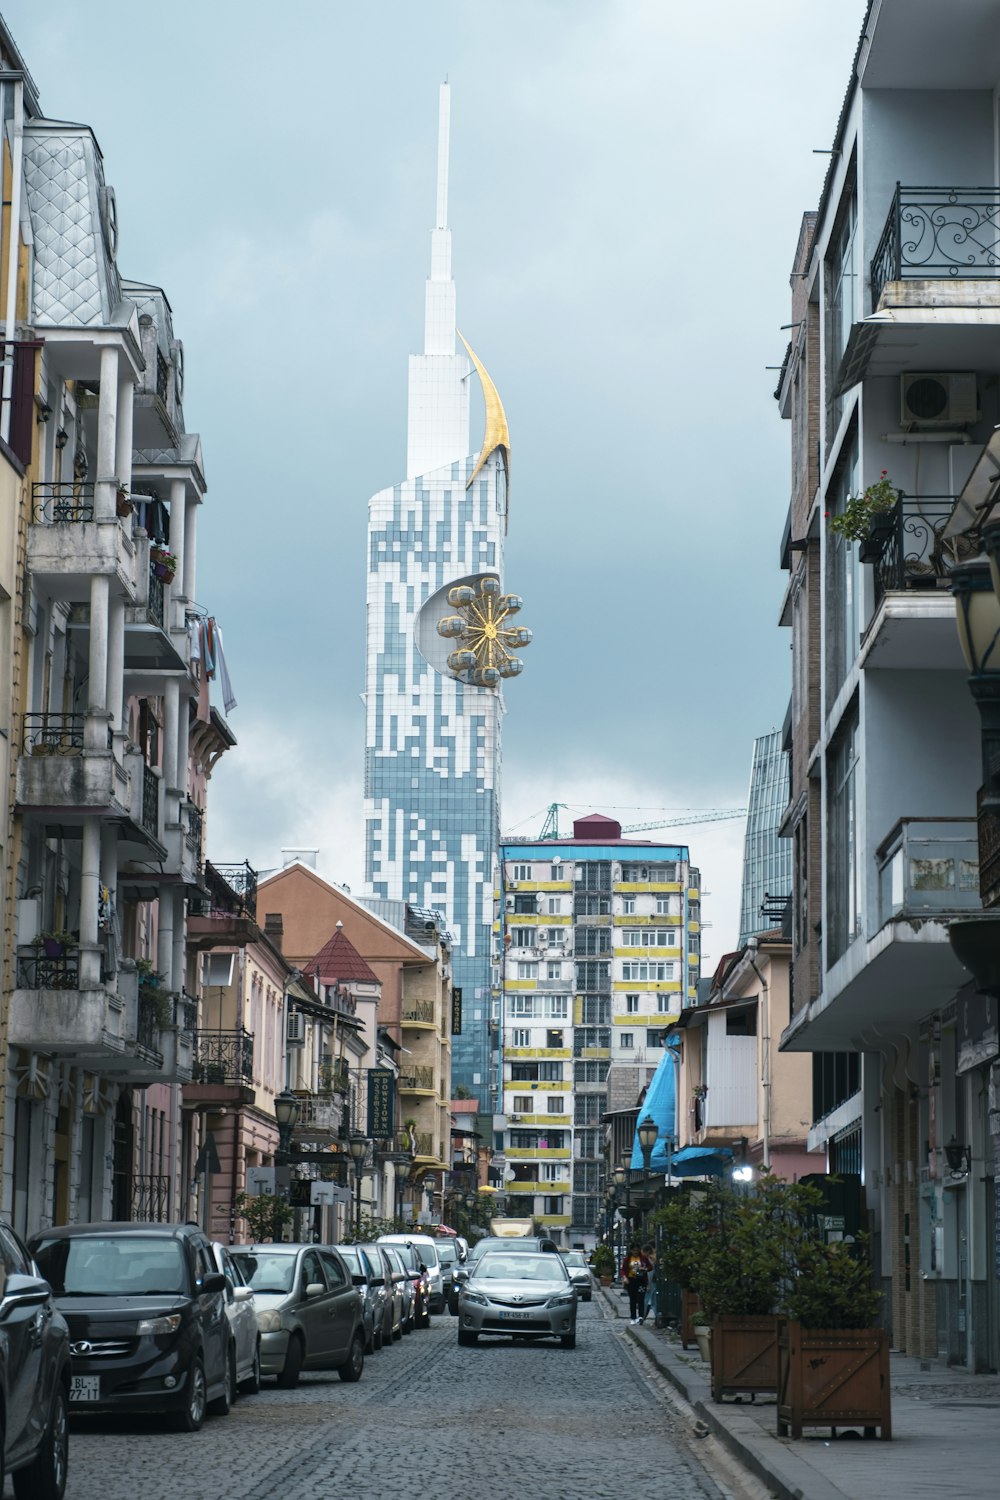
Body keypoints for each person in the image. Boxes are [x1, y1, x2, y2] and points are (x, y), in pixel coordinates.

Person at [621, 1242, 652, 1324]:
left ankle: (641, 1316)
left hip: (641, 1280)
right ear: (631, 1250)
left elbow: (650, 1267)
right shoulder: (627, 1259)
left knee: (641, 1298)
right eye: (634, 1250)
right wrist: (625, 1277)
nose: (635, 1252)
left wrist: (645, 1269)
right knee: (633, 1299)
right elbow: (623, 1269)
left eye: (637, 1250)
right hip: (631, 1280)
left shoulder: (643, 1258)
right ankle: (633, 1317)